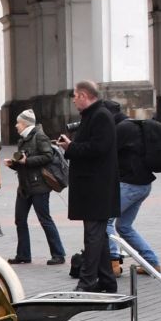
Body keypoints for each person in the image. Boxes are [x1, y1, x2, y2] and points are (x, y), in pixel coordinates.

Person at [57, 81, 119, 292]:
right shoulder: (93, 115)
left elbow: (99, 148)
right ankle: (107, 280)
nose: (73, 100)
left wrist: (71, 147)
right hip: (92, 187)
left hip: (97, 187)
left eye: (75, 96)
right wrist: (71, 146)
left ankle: (87, 281)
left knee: (93, 236)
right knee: (98, 236)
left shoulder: (100, 115)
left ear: (84, 95)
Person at [108, 101, 161, 272]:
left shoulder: (121, 129)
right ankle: (151, 262)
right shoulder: (133, 125)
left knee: (106, 219)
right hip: (143, 185)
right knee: (124, 226)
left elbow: (106, 153)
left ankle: (113, 262)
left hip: (130, 185)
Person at [7, 109, 66, 265]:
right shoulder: (22, 140)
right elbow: (24, 163)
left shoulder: (40, 136)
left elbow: (48, 156)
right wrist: (13, 164)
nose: (16, 125)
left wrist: (27, 161)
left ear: (25, 123)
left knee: (44, 219)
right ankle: (23, 255)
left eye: (18, 122)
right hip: (24, 186)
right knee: (20, 219)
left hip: (39, 186)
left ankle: (58, 254)